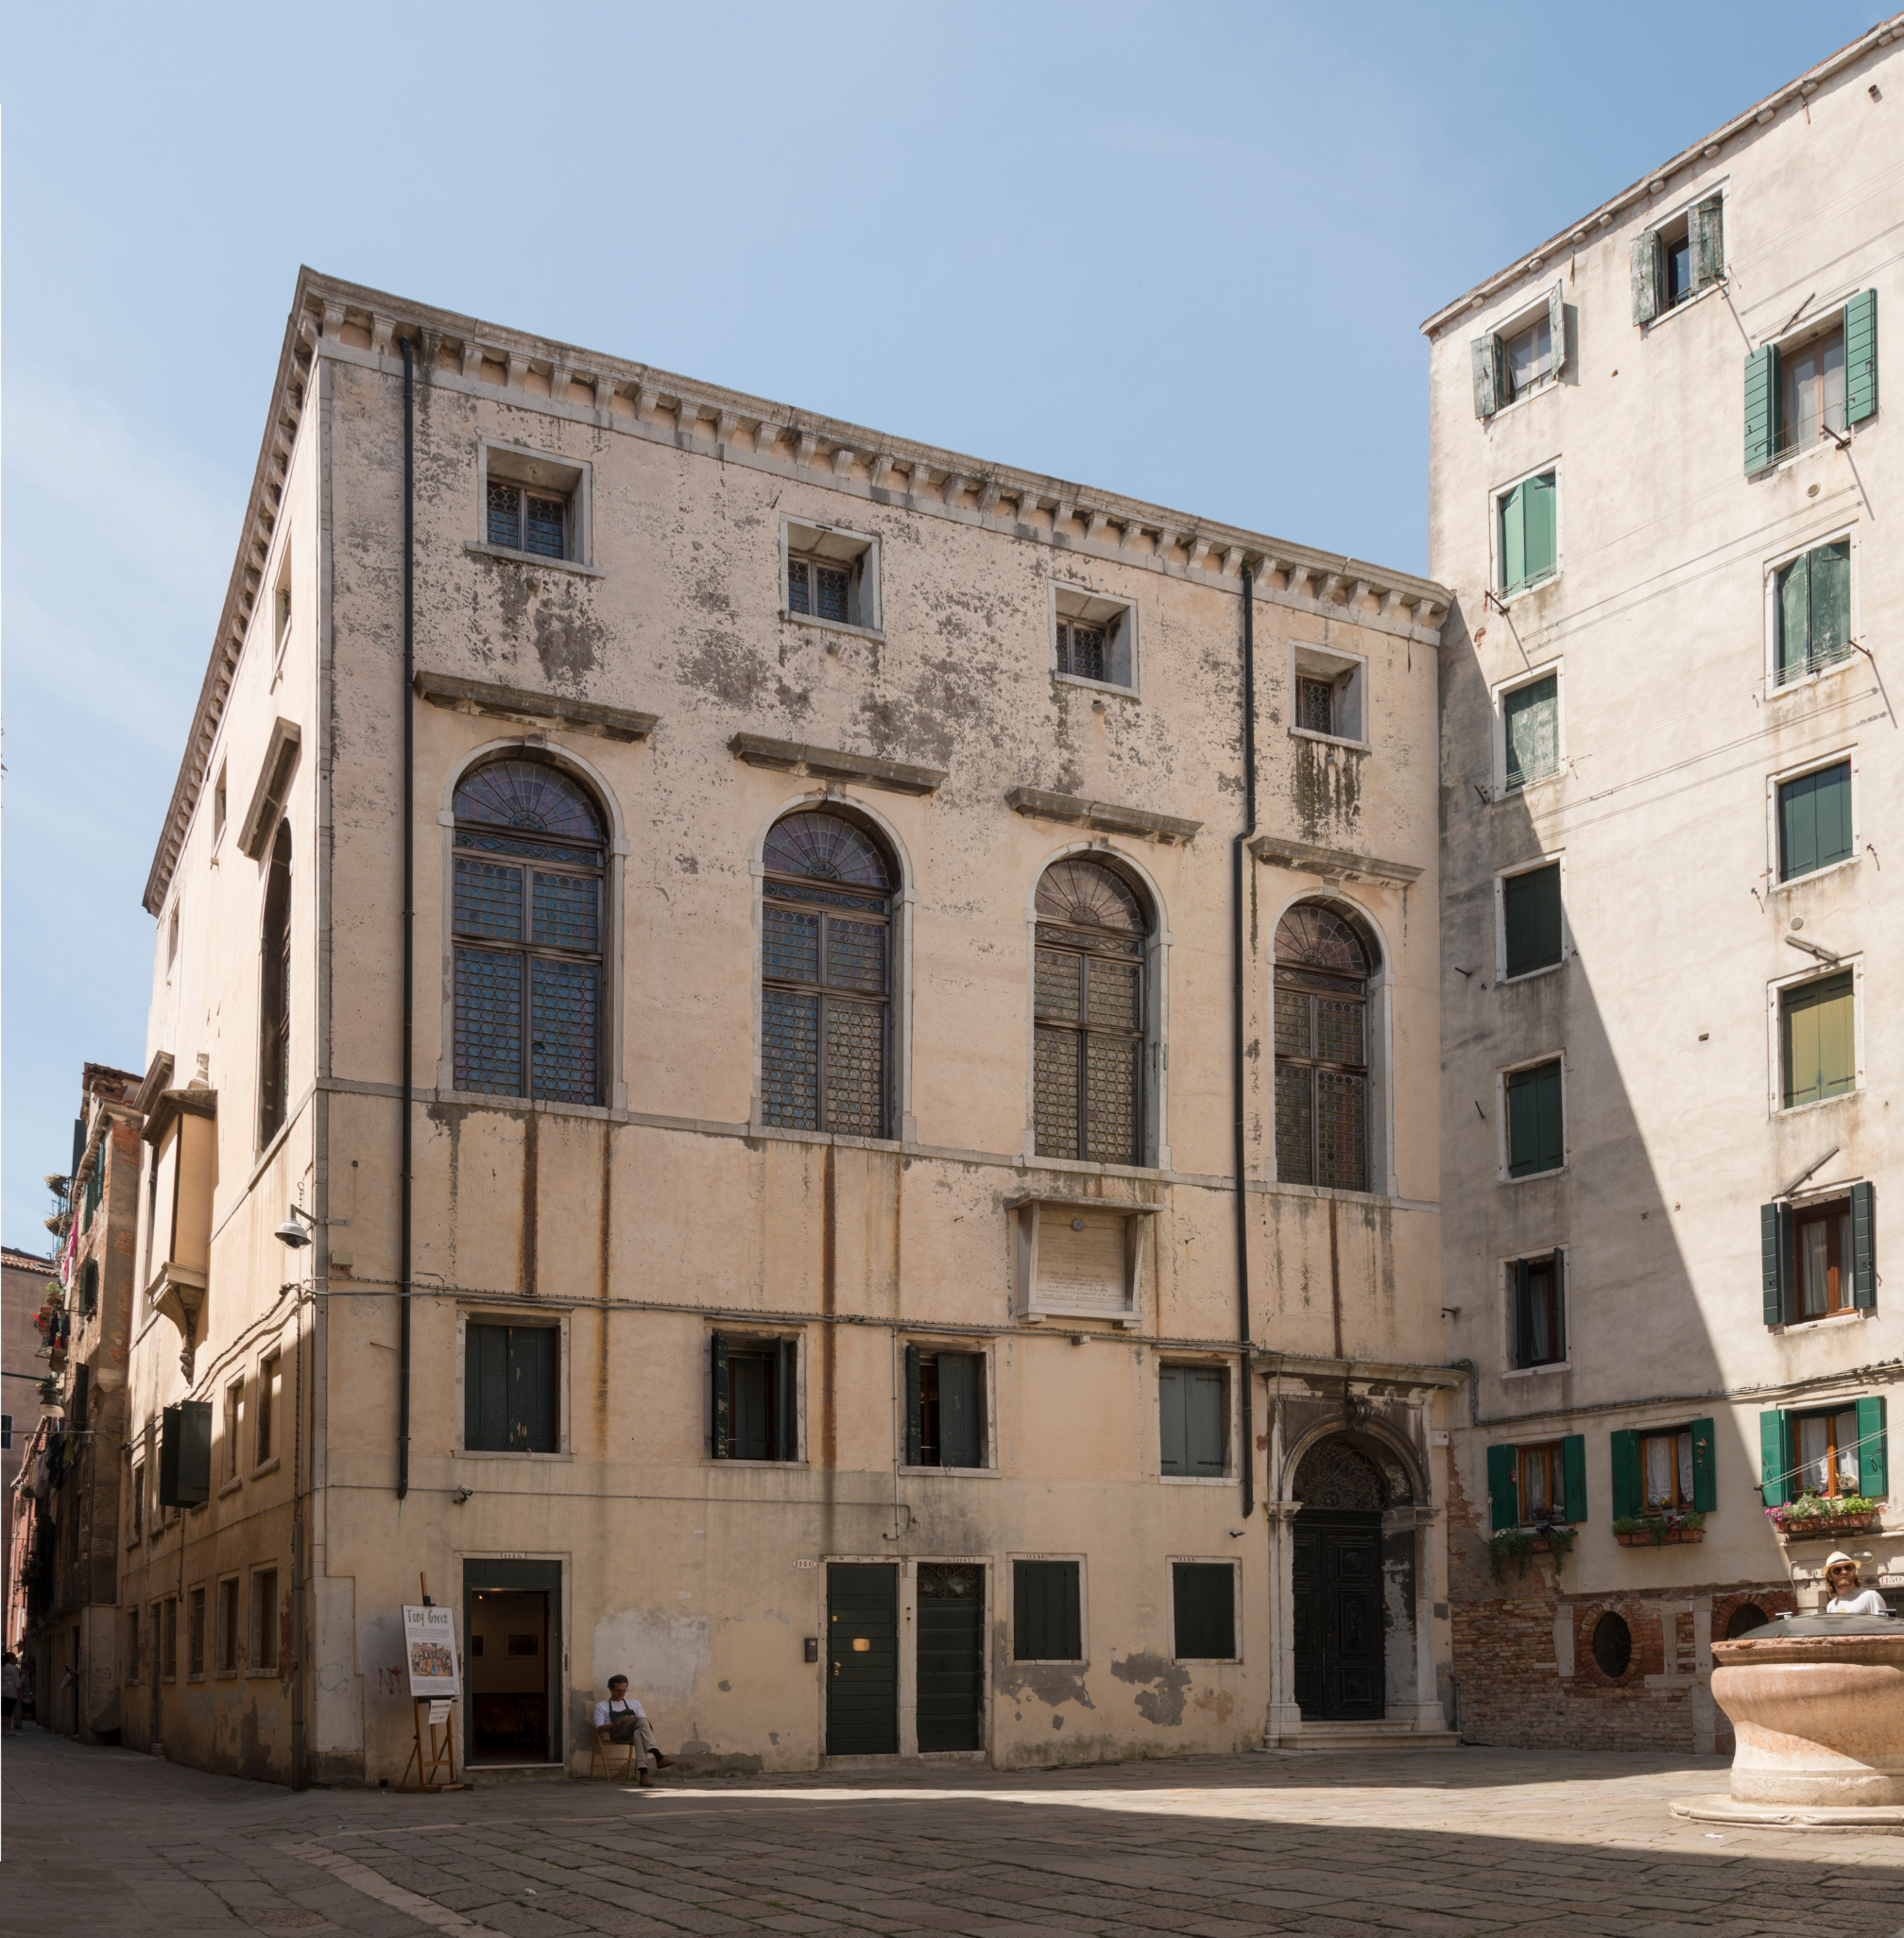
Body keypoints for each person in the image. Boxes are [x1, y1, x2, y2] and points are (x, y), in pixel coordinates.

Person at [590, 1675, 675, 1784]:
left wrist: (633, 1720)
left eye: (624, 1690)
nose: (622, 1693)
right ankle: (658, 1756)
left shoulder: (634, 1703)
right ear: (610, 1689)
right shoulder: (601, 1706)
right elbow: (600, 1729)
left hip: (633, 1733)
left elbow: (642, 1722)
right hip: (617, 1734)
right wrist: (619, 1722)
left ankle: (644, 1774)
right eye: (618, 1690)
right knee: (642, 1723)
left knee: (639, 1732)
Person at [1822, 1552, 1890, 1616]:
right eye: (1837, 1570)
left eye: (1848, 1568)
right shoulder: (1831, 1606)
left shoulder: (1870, 1597)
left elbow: (1883, 1626)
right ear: (1829, 1576)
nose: (1844, 1572)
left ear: (1854, 1570)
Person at [2, 1653, 19, 1733]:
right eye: (15, 1657)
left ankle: (1, 1729)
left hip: (1, 1690)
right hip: (11, 1691)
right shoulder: (13, 1668)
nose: (16, 1659)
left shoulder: (1, 1666)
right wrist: (20, 1692)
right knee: (8, 1711)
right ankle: (8, 1729)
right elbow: (16, 1681)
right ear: (11, 1658)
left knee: (2, 1711)